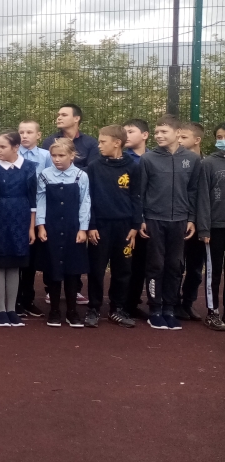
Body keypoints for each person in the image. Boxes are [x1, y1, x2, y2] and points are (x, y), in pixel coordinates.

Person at [138, 116, 199, 330]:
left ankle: (170, 309)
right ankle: (155, 310)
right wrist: (141, 219)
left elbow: (193, 191)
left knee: (175, 266)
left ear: (177, 132)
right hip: (154, 219)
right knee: (156, 265)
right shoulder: (148, 159)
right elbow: (140, 192)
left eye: (164, 131)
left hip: (180, 221)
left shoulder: (191, 159)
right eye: (156, 132)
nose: (158, 136)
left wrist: (191, 219)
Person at [86, 125, 141, 328]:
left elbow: (136, 197)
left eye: (103, 142)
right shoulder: (94, 166)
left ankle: (117, 309)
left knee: (123, 269)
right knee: (96, 269)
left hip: (125, 227)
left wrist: (135, 225)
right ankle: (93, 308)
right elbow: (88, 198)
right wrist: (91, 225)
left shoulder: (133, 167)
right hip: (100, 226)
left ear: (117, 143)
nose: (99, 145)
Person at [0, 131, 37, 328]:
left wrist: (31, 227)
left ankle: (12, 309)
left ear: (16, 147)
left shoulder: (29, 167)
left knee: (15, 264)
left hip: (21, 219)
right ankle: (0, 310)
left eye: (2, 147)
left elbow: (33, 201)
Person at [36, 139, 91, 328]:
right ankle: (54, 311)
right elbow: (40, 200)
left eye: (61, 155)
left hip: (72, 228)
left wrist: (83, 228)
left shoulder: (81, 176)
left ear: (72, 156)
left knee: (72, 270)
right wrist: (41, 226)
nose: (57, 159)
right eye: (54, 155)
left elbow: (85, 202)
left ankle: (72, 311)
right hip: (51, 227)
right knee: (53, 269)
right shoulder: (45, 175)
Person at [16, 120, 52, 318]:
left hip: (38, 214)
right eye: (21, 132)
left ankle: (28, 300)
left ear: (38, 135)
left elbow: (48, 184)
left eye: (29, 132)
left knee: (31, 259)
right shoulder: (13, 154)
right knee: (16, 257)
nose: (24, 136)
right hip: (17, 212)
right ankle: (14, 300)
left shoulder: (46, 156)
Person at [123, 118, 152, 317]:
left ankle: (133, 304)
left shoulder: (155, 158)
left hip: (151, 219)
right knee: (126, 262)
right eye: (124, 131)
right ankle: (120, 304)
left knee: (142, 263)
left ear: (145, 135)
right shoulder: (123, 159)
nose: (126, 135)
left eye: (131, 131)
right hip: (128, 219)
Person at [177, 122, 206, 321]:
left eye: (184, 137)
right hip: (181, 221)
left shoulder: (208, 163)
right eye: (178, 136)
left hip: (203, 223)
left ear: (197, 140)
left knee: (195, 267)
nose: (179, 140)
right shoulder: (176, 162)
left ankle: (188, 302)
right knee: (176, 265)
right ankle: (173, 303)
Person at [198, 124, 225, 331]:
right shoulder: (208, 163)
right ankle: (212, 312)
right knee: (213, 272)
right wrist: (204, 228)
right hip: (215, 227)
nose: (221, 140)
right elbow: (203, 198)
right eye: (219, 136)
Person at [41, 104, 99, 169]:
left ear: (76, 118)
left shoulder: (90, 143)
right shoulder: (50, 141)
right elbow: (47, 167)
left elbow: (93, 168)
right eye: (58, 115)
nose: (59, 118)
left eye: (64, 115)